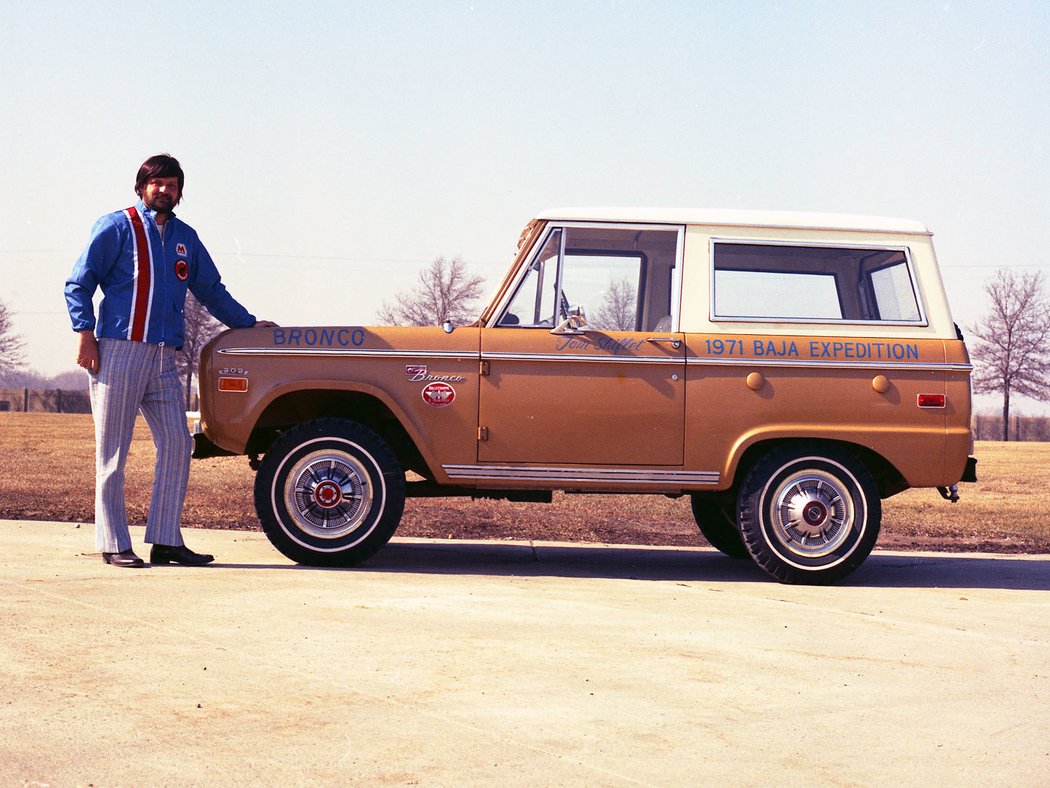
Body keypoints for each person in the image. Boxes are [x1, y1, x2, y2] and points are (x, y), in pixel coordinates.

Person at [65, 154, 275, 568]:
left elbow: (211, 289)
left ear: (180, 192)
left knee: (178, 445)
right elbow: (78, 282)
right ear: (141, 187)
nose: (164, 190)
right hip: (119, 350)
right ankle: (113, 543)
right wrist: (84, 334)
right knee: (113, 452)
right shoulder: (115, 226)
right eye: (156, 183)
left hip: (165, 359)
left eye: (172, 184)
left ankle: (164, 539)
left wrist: (248, 324)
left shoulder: (185, 237)